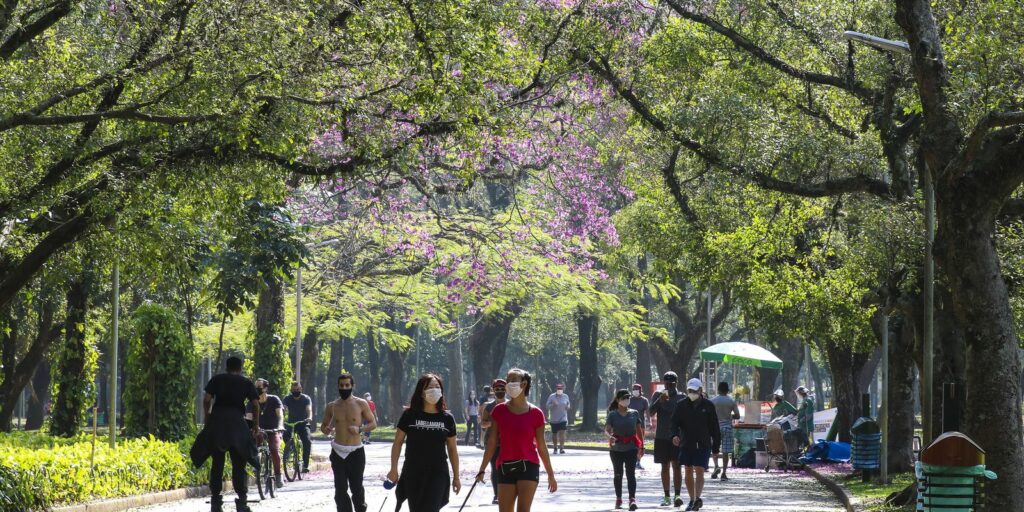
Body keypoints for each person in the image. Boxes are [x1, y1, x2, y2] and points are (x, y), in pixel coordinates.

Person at [476, 368, 557, 512]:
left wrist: (551, 474)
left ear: (524, 384)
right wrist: (482, 469)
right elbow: (492, 442)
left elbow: (541, 446)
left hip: (529, 466)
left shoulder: (536, 413)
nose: (509, 383)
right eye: (508, 380)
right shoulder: (499, 411)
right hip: (505, 466)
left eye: (514, 380)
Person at [190, 356, 259, 512]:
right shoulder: (246, 382)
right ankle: (241, 502)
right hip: (237, 424)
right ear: (240, 368)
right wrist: (255, 425)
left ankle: (215, 503)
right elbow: (255, 405)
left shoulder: (217, 379)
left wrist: (208, 418)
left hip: (218, 423)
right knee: (239, 464)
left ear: (226, 367)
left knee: (217, 464)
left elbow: (207, 399)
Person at [388, 373, 461, 512]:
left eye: (437, 386)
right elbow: (397, 442)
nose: (434, 389)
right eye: (430, 387)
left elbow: (452, 449)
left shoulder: (448, 418)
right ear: (421, 392)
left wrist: (456, 477)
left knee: (431, 508)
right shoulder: (409, 415)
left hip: (438, 472)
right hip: (413, 471)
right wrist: (393, 469)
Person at [320, 373, 377, 512]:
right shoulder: (332, 406)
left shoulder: (361, 403)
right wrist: (326, 430)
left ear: (352, 386)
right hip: (338, 451)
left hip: (356, 451)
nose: (344, 388)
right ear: (338, 387)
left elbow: (373, 423)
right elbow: (323, 426)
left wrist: (360, 429)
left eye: (347, 385)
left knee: (357, 488)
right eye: (341, 385)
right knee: (340, 489)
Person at [670, 379, 721, 512]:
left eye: (694, 390)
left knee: (699, 470)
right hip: (686, 443)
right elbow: (674, 422)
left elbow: (714, 427)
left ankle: (697, 498)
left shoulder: (708, 405)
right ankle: (692, 499)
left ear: (700, 390)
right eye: (690, 391)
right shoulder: (681, 405)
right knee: (687, 470)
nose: (692, 393)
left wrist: (716, 446)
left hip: (703, 444)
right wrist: (674, 435)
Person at [650, 371, 686, 507]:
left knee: (677, 466)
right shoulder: (658, 395)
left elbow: (686, 417)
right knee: (664, 467)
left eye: (671, 383)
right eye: (666, 383)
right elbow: (651, 412)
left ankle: (677, 495)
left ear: (676, 383)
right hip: (661, 437)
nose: (669, 385)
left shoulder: (682, 397)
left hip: (676, 437)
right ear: (663, 382)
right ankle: (666, 496)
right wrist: (659, 401)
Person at [606, 389, 643, 511]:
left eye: (628, 397)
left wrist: (641, 447)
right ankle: (619, 498)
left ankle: (632, 499)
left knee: (631, 473)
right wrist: (609, 436)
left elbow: (639, 430)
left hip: (631, 447)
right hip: (616, 448)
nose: (626, 400)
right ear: (618, 400)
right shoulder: (612, 414)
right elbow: (607, 429)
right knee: (618, 474)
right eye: (623, 398)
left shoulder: (634, 413)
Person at [247, 378, 284, 488]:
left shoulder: (274, 399)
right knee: (254, 444)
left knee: (274, 450)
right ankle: (257, 462)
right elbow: (249, 417)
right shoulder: (252, 402)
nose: (257, 389)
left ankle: (278, 475)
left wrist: (280, 426)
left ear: (265, 388)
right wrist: (251, 427)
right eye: (255, 387)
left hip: (273, 430)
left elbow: (280, 415)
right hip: (259, 430)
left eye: (259, 387)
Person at [479, 378, 507, 505]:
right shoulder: (488, 406)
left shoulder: (510, 406)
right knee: (495, 468)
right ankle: (497, 494)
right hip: (492, 442)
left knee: (506, 469)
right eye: (497, 389)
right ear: (493, 391)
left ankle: (506, 493)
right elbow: (482, 424)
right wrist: (493, 423)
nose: (500, 391)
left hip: (508, 442)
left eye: (502, 389)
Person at [709, 382, 740, 480]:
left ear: (718, 389)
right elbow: (738, 415)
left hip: (715, 428)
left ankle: (716, 466)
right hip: (727, 428)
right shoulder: (731, 401)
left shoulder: (712, 401)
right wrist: (729, 416)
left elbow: (708, 414)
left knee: (715, 449)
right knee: (726, 451)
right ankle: (724, 473)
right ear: (727, 390)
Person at [282, 382, 313, 473]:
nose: (296, 391)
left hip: (303, 424)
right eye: (294, 390)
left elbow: (309, 409)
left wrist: (309, 417)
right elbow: (283, 408)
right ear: (291, 390)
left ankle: (305, 465)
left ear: (301, 389)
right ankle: (291, 448)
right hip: (291, 424)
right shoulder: (287, 398)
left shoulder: (306, 398)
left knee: (307, 441)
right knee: (285, 435)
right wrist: (282, 415)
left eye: (298, 389)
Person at [627, 383, 650, 470]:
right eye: (634, 389)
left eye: (637, 389)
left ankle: (638, 461)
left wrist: (649, 422)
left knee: (640, 444)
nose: (635, 391)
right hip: (630, 425)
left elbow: (647, 412)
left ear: (640, 390)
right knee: (631, 443)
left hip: (641, 426)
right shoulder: (629, 400)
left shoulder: (644, 400)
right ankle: (631, 461)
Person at [545, 383, 570, 454]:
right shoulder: (551, 396)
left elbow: (568, 404)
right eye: (558, 388)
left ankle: (561, 448)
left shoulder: (566, 396)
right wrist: (553, 404)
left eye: (561, 388)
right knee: (554, 434)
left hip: (563, 418)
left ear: (563, 389)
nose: (559, 390)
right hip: (554, 419)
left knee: (562, 433)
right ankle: (555, 447)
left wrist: (568, 407)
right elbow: (547, 406)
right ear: (556, 389)